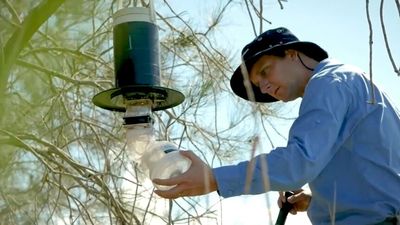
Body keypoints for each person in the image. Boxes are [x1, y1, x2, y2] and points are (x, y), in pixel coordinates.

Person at [153, 27, 400, 225]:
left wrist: (214, 178)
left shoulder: (329, 83)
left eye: (264, 71)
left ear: (292, 54)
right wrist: (316, 202)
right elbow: (374, 177)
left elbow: (298, 163)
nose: (264, 88)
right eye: (258, 84)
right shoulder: (351, 82)